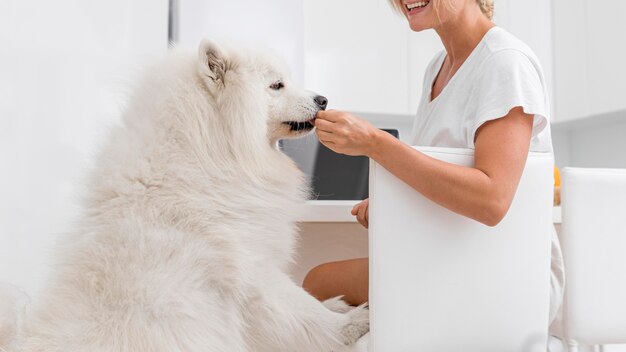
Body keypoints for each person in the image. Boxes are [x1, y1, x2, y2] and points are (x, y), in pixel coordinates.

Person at [302, 0, 564, 324]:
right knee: (319, 284)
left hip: (503, 276)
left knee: (318, 285)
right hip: (455, 258)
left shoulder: (504, 62)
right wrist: (396, 203)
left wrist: (375, 143)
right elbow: (446, 180)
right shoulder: (437, 70)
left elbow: (491, 199)